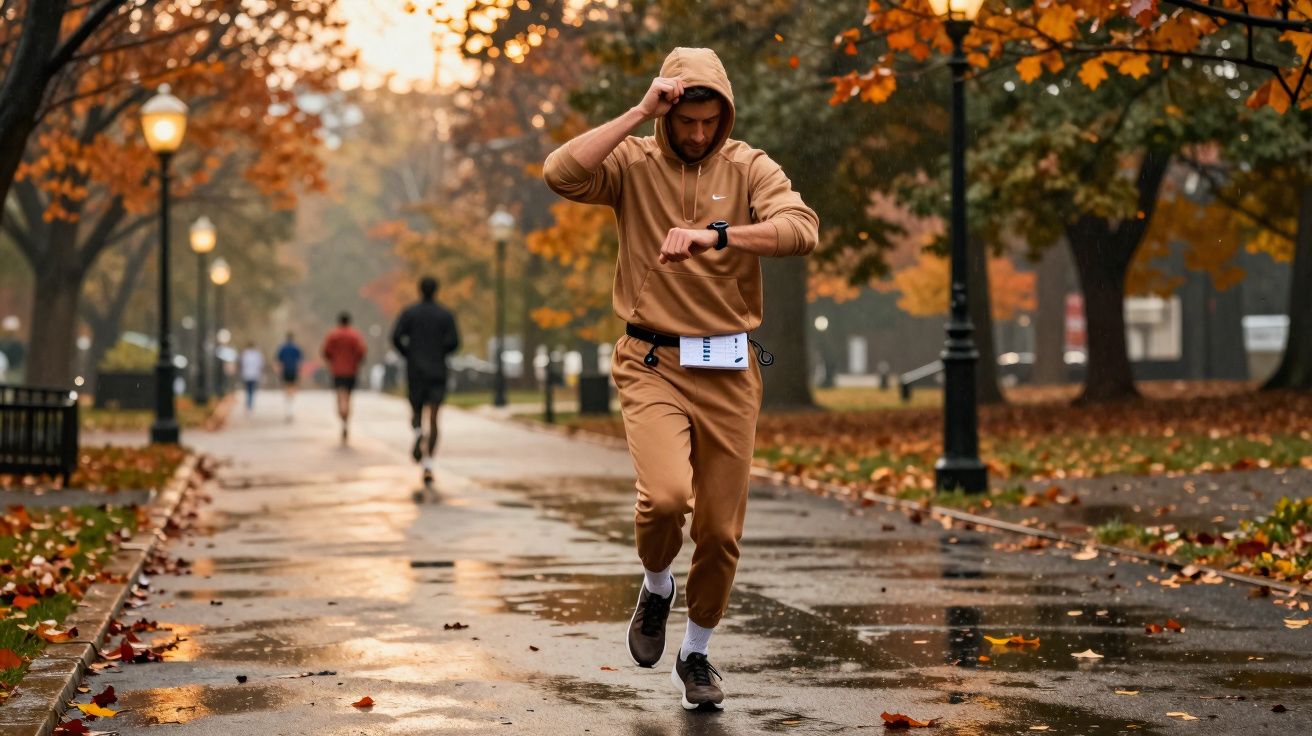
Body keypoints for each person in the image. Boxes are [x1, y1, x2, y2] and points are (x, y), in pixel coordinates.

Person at [544, 48, 818, 711]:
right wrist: (640, 111)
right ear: (669, 114)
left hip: (728, 365)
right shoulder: (634, 164)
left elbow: (801, 229)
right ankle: (657, 585)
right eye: (685, 121)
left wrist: (716, 235)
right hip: (652, 361)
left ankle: (695, 653)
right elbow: (560, 172)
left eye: (708, 121)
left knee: (721, 532)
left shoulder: (749, 165)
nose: (696, 134)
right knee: (666, 498)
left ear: (725, 115)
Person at [391, 276, 460, 490]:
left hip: (416, 370)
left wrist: (408, 353)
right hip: (437, 370)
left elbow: (395, 337)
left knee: (417, 411)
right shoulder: (445, 315)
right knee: (435, 417)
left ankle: (418, 432)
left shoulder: (410, 313)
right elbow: (455, 342)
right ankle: (429, 464)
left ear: (419, 290)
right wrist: (440, 352)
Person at [321, 312, 367, 443]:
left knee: (340, 395)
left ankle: (342, 417)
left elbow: (326, 352)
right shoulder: (355, 335)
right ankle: (346, 420)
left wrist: (333, 361)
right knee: (348, 397)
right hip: (351, 371)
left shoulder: (333, 335)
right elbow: (361, 351)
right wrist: (356, 362)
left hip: (337, 370)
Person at [275, 332, 304, 422]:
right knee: (292, 388)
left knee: (286, 388)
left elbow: (278, 361)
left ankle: (288, 407)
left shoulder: (282, 348)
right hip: (294, 370)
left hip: (285, 371)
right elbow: (300, 361)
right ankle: (291, 407)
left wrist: (279, 370)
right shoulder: (296, 348)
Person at [238, 341, 264, 414]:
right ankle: (250, 406)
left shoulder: (245, 354)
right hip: (254, 375)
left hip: (246, 375)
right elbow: (260, 364)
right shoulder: (257, 354)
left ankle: (248, 405)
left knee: (248, 391)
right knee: (252, 391)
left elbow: (242, 364)